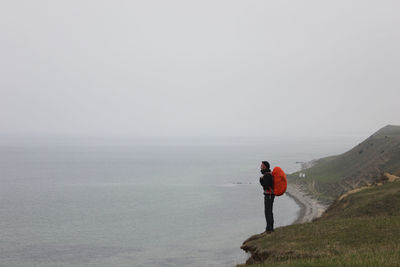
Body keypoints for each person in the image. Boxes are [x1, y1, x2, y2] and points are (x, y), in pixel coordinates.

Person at [259, 161, 274, 233]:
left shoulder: (267, 175)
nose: (260, 167)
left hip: (269, 195)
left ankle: (269, 228)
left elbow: (266, 186)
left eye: (261, 165)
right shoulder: (267, 174)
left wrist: (261, 180)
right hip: (269, 195)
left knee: (268, 211)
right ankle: (269, 228)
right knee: (268, 211)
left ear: (265, 166)